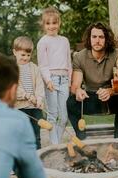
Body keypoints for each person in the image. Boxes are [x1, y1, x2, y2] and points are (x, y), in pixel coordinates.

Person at [67, 22, 118, 140]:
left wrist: (110, 91)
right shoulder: (79, 57)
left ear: (107, 39)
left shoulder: (116, 55)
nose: (97, 40)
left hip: (111, 97)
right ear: (89, 38)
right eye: (94, 37)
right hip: (91, 97)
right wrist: (78, 91)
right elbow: (75, 86)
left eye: (101, 37)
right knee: (71, 102)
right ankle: (82, 138)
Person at [37, 7, 72, 144]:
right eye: (48, 23)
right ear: (44, 25)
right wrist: (47, 80)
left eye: (54, 23)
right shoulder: (43, 42)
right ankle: (55, 146)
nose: (51, 26)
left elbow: (69, 62)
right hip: (51, 80)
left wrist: (69, 80)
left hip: (64, 80)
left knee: (64, 117)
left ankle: (56, 140)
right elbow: (42, 64)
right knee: (53, 115)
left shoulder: (64, 40)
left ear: (59, 23)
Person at [13, 36, 45, 149]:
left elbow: (40, 85)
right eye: (22, 55)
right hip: (20, 109)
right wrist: (27, 95)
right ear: (15, 52)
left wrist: (39, 99)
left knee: (36, 135)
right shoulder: (12, 69)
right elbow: (14, 88)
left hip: (35, 108)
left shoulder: (34, 68)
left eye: (28, 55)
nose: (25, 58)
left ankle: (38, 158)